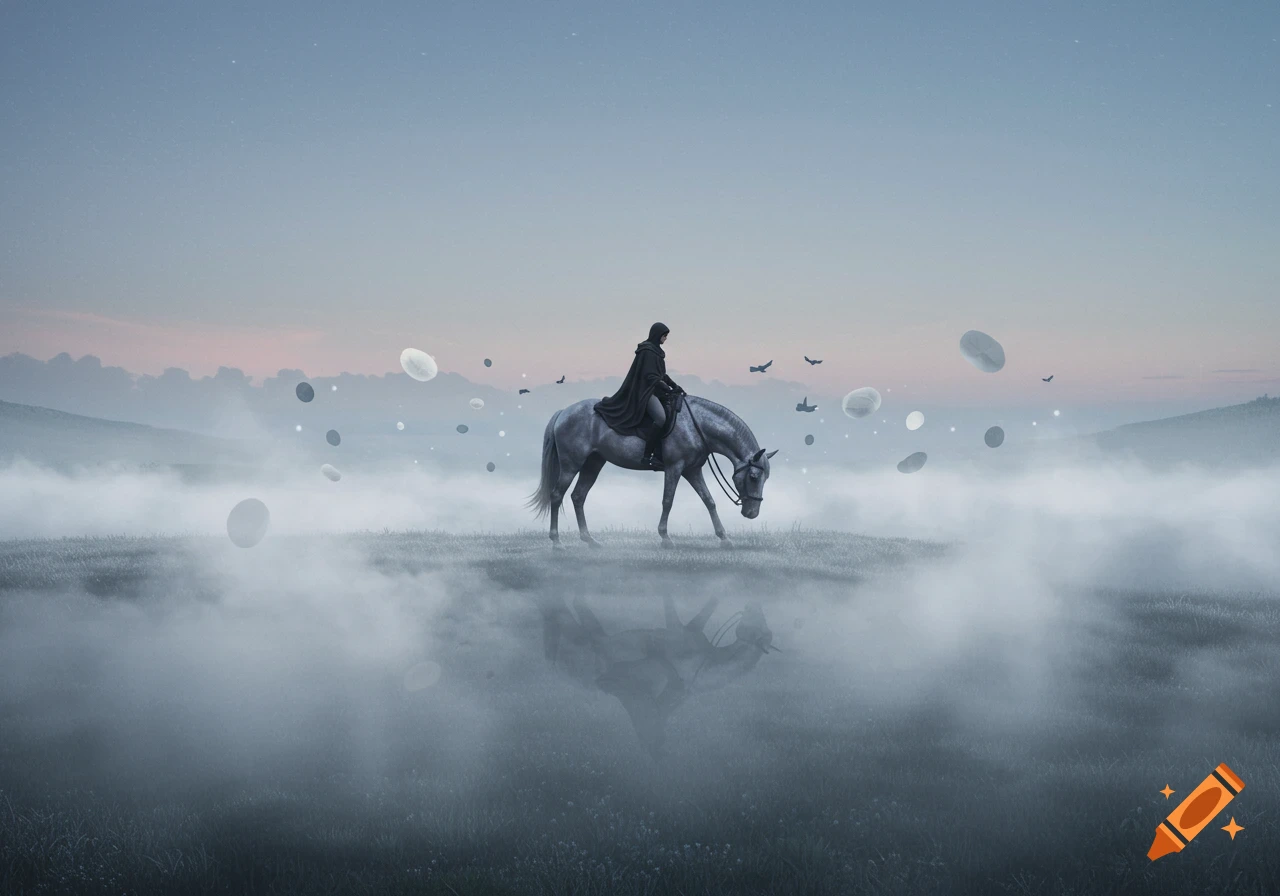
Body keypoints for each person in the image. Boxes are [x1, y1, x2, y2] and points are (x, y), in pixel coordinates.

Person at [594, 322, 685, 470]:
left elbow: (662, 375)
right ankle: (649, 456)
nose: (666, 338)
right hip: (645, 392)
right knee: (661, 418)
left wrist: (675, 386)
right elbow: (650, 377)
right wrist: (666, 388)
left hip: (655, 390)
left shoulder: (657, 352)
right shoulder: (647, 351)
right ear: (657, 335)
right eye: (664, 335)